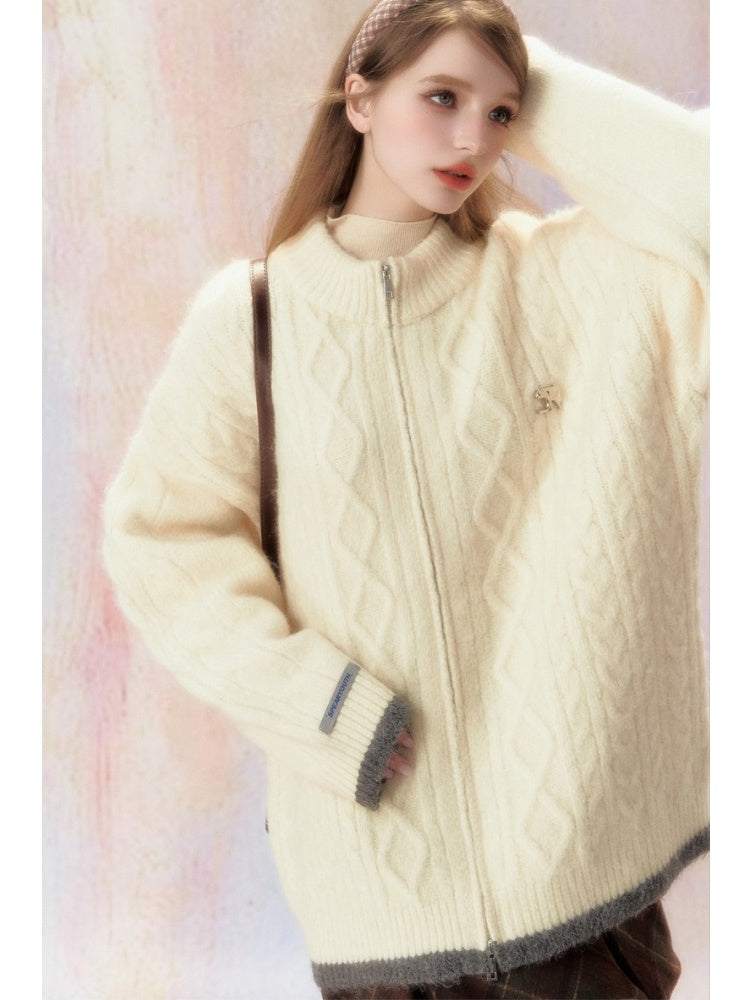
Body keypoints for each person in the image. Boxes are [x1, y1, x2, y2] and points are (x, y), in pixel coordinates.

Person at [102, 1, 709, 997]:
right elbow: (162, 544)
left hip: (583, 897)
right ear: (360, 98)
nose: (474, 138)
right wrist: (320, 707)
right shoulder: (249, 318)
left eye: (500, 113)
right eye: (441, 98)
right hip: (378, 901)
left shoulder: (563, 282)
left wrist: (521, 73)